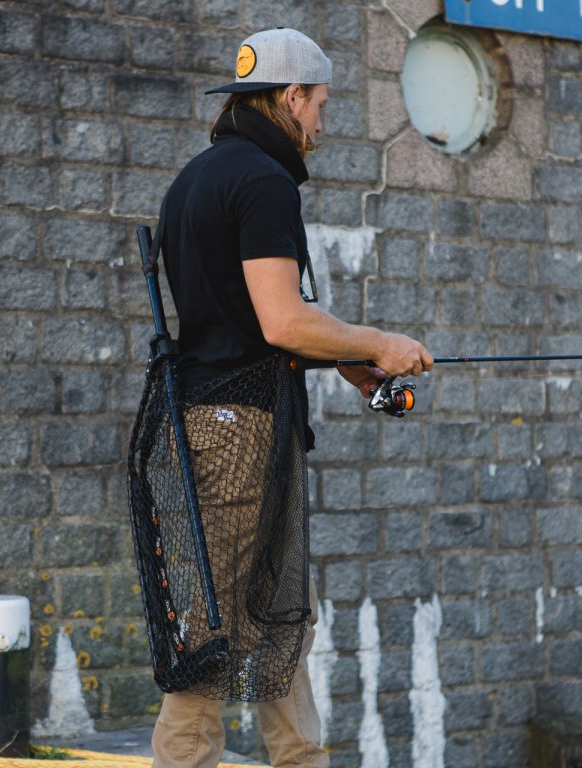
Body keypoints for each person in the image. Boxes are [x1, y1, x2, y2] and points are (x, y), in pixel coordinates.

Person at [148, 28, 433, 768]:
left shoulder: (197, 178)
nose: (322, 123)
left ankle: (301, 758)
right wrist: (378, 341)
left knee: (278, 615)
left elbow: (248, 320)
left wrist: (350, 363)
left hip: (213, 420)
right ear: (290, 95)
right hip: (241, 432)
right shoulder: (265, 182)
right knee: (217, 629)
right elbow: (282, 320)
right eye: (320, 105)